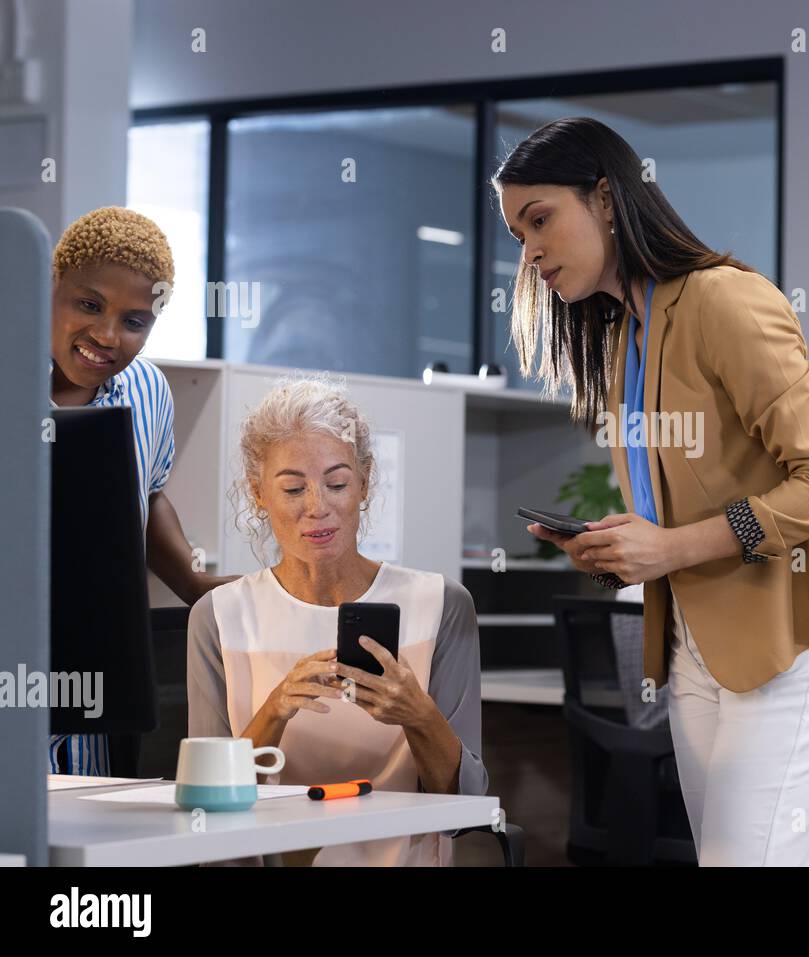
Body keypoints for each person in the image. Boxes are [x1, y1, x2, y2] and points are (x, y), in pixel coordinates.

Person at [494, 116, 809, 866]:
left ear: (607, 199)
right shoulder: (626, 337)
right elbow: (680, 514)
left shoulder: (721, 301)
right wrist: (621, 551)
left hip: (791, 639)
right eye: (518, 234)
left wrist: (670, 545)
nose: (531, 251)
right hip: (696, 646)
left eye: (541, 219)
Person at [186, 374, 487, 866]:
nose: (317, 508)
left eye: (337, 483)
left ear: (364, 485)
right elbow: (205, 808)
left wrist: (418, 714)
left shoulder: (442, 605)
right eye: (292, 488)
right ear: (258, 493)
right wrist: (275, 710)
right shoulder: (218, 616)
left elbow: (465, 808)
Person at [48, 206, 235, 775]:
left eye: (134, 321)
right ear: (51, 286)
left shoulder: (147, 389)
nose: (107, 336)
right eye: (88, 305)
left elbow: (147, 495)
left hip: (98, 668)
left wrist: (194, 585)